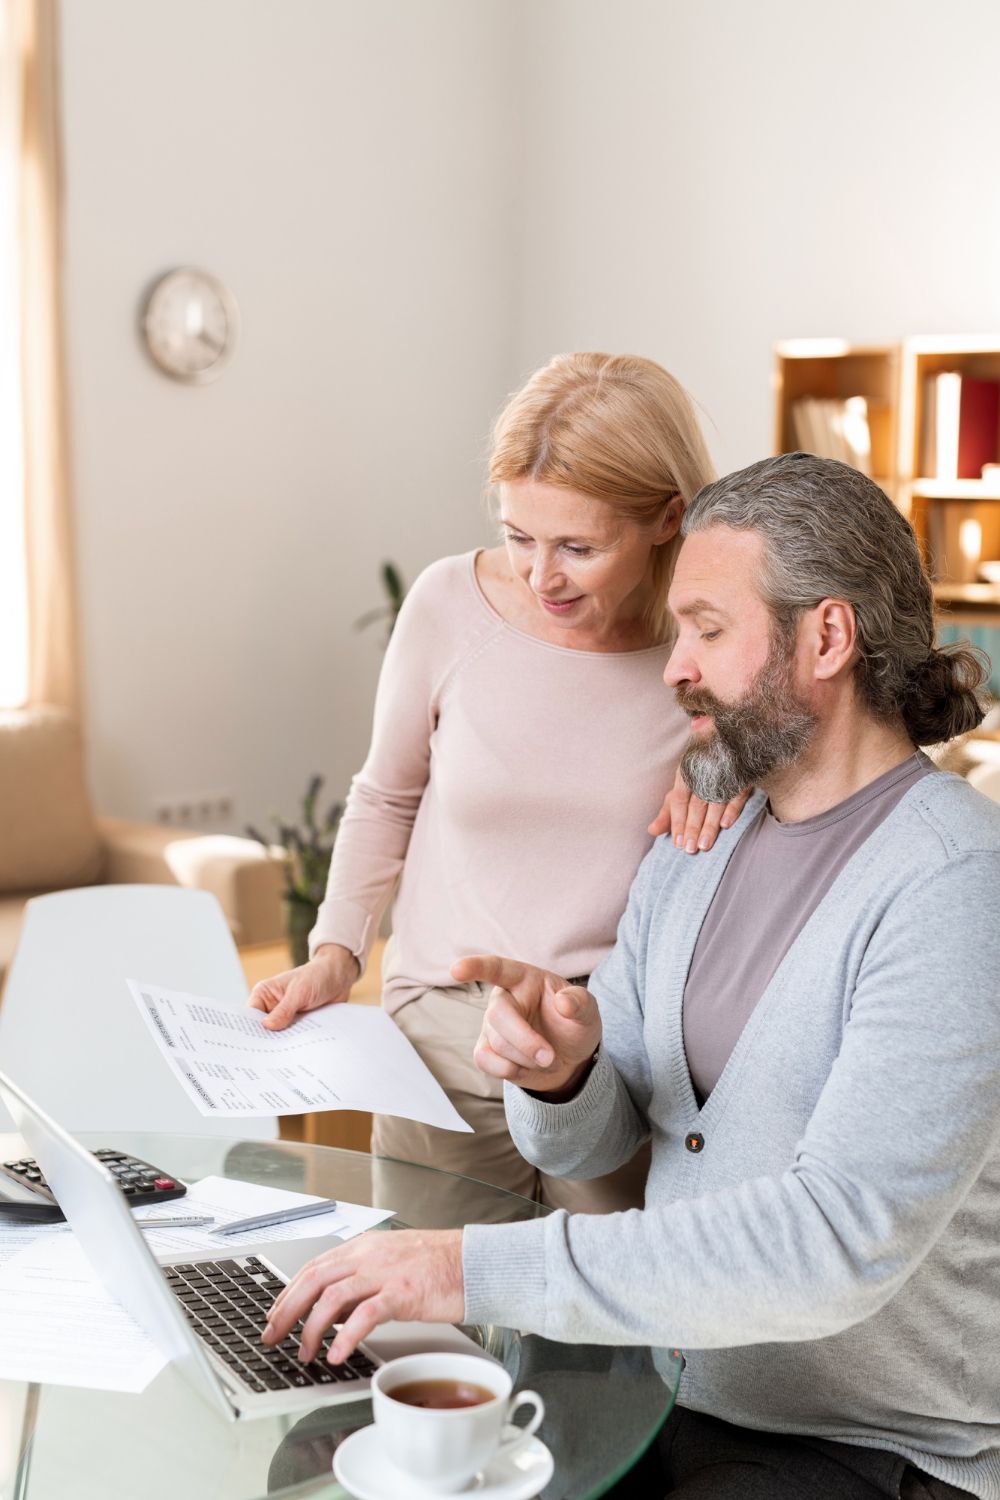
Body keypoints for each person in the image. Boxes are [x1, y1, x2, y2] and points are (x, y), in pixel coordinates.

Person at [263, 454, 1000, 1500]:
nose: (672, 665)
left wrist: (465, 1267)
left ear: (826, 638)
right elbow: (612, 1139)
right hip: (676, 1399)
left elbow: (834, 1239)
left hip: (872, 1450)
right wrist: (563, 1076)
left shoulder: (954, 884)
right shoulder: (696, 847)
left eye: (706, 628)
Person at [250, 352, 746, 1214]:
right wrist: (336, 953)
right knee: (433, 1321)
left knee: (601, 1336)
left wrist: (725, 762)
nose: (539, 575)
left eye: (578, 547)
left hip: (612, 1039)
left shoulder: (708, 646)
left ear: (668, 518)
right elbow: (386, 794)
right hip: (443, 1025)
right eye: (520, 535)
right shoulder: (448, 605)